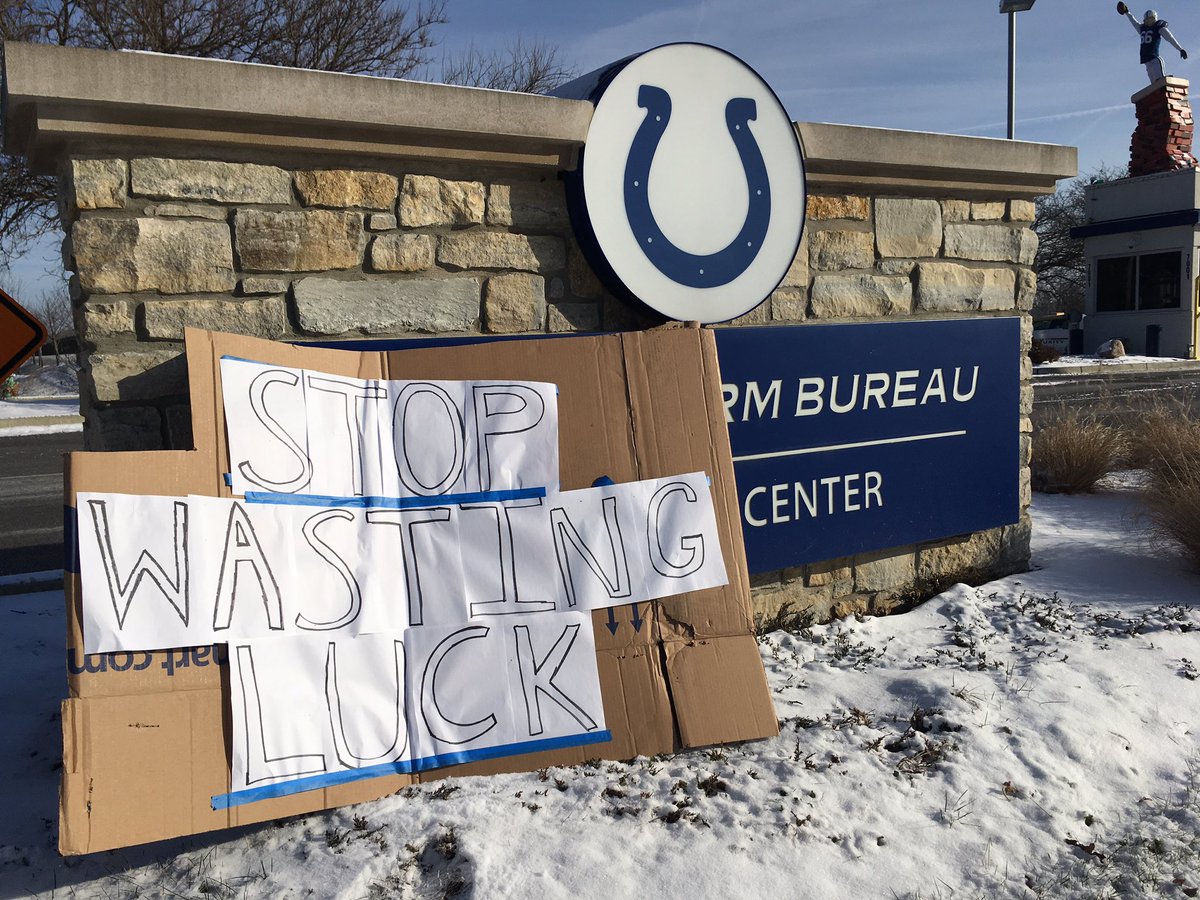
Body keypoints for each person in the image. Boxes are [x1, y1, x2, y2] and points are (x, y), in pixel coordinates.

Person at [1118, 4, 1188, 82]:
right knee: (1154, 84)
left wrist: (1180, 49)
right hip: (1146, 60)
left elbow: (1169, 38)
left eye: (1150, 18)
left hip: (1154, 58)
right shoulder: (1142, 29)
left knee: (1160, 80)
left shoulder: (1158, 27)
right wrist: (1127, 12)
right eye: (1147, 19)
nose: (1148, 20)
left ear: (1154, 19)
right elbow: (1134, 22)